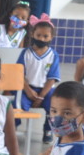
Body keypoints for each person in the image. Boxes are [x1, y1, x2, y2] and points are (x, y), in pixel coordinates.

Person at [16, 14, 60, 145]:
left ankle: (48, 130)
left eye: (45, 36)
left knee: (54, 106)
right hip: (25, 89)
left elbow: (52, 79)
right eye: (39, 35)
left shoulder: (53, 55)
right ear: (32, 35)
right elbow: (19, 74)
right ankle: (13, 128)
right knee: (18, 106)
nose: (42, 38)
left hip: (45, 91)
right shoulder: (25, 53)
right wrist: (29, 91)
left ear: (51, 37)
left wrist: (41, 96)